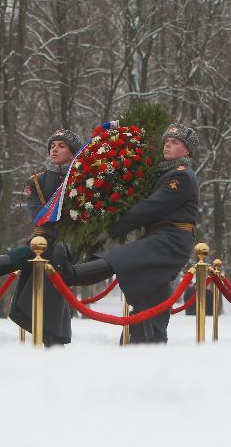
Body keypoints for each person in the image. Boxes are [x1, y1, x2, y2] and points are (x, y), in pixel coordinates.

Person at [60, 123, 200, 344]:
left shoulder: (181, 176)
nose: (168, 146)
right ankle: (148, 340)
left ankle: (71, 275)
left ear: (187, 151)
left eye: (175, 143)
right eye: (167, 142)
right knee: (151, 289)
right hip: (160, 237)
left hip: (171, 240)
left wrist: (113, 228)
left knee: (124, 258)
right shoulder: (165, 173)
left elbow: (151, 207)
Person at [0, 129, 83, 345]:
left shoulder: (83, 180)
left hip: (70, 246)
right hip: (44, 241)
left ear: (72, 153)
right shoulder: (37, 182)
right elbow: (39, 215)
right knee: (32, 252)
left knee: (34, 258)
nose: (54, 149)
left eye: (61, 145)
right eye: (52, 145)